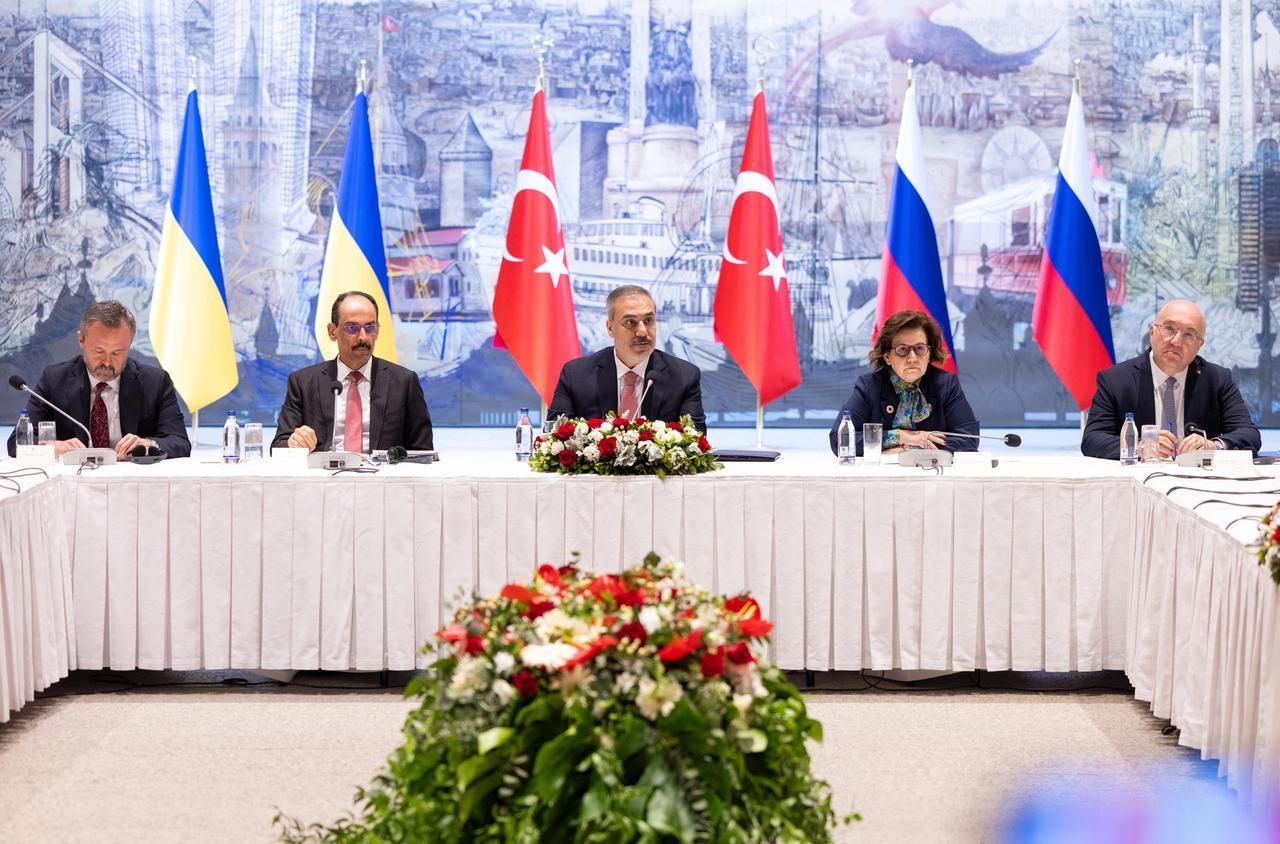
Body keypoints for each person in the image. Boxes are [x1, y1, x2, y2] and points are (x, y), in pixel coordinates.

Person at [6, 300, 191, 459]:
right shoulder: (55, 380)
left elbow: (180, 442)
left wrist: (148, 444)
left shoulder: (155, 382)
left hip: (132, 483)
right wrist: (52, 448)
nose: (108, 362)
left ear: (129, 344)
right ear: (81, 340)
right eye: (99, 351)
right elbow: (16, 444)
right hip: (73, 485)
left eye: (117, 352)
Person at [1081, 299, 1260, 459]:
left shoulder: (1217, 379)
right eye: (1169, 328)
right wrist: (1141, 446)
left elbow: (1249, 435)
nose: (1176, 341)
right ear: (1152, 332)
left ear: (1199, 345)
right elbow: (1092, 439)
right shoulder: (1115, 380)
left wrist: (1213, 446)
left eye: (1189, 334)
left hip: (1199, 482)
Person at [272, 291, 433, 452]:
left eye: (370, 327)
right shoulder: (303, 383)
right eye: (352, 328)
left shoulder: (404, 382)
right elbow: (279, 445)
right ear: (332, 331)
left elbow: (423, 452)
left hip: (381, 475)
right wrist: (295, 444)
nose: (363, 337)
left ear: (377, 331)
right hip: (324, 475)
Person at [547, 284, 706, 433]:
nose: (643, 331)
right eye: (631, 322)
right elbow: (555, 438)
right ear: (610, 328)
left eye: (648, 320)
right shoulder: (576, 375)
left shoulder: (684, 376)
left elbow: (695, 442)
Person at [828, 310, 978, 456]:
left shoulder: (946, 384)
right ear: (887, 356)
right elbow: (840, 440)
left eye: (920, 348)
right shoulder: (869, 387)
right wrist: (898, 436)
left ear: (929, 353)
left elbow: (970, 439)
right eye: (902, 350)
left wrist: (913, 448)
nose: (912, 358)